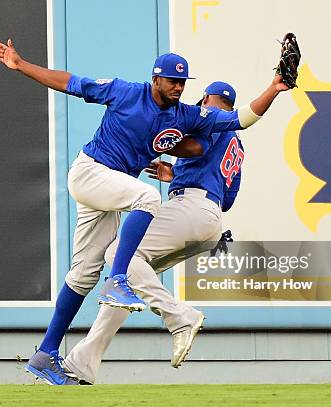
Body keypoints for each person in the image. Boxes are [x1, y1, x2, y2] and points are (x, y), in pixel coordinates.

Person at [0, 38, 287, 385]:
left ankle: (46, 353)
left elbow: (242, 118)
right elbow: (69, 82)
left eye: (183, 82)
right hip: (90, 172)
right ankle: (118, 282)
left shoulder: (185, 114)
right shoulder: (127, 92)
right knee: (147, 197)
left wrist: (275, 87)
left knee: (84, 274)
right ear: (155, 79)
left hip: (111, 189)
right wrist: (21, 65)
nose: (178, 87)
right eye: (172, 81)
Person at [62, 82, 249, 384]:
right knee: (128, 276)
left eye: (203, 98)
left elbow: (191, 143)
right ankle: (83, 362)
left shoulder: (209, 120)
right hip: (209, 219)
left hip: (190, 207)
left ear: (207, 99)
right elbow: (227, 199)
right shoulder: (237, 145)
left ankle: (179, 316)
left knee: (116, 256)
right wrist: (177, 174)